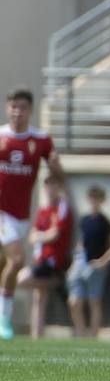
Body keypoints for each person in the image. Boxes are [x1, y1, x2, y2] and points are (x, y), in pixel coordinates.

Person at [0, 87, 63, 340]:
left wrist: (58, 167)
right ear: (7, 109)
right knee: (17, 260)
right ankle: (4, 321)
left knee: (5, 266)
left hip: (22, 215)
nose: (17, 112)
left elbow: (57, 175)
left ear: (30, 110)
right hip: (1, 213)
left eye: (22, 107)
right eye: (13, 107)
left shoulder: (41, 141)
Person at [17, 176, 71, 338]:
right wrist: (42, 235)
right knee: (38, 299)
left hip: (52, 260)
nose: (50, 189)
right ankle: (36, 336)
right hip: (39, 259)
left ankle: (56, 281)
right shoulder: (43, 210)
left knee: (21, 278)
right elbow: (32, 236)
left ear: (58, 187)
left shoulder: (62, 207)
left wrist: (41, 236)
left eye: (53, 185)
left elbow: (55, 234)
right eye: (47, 186)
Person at [66, 184, 110, 337]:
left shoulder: (105, 222)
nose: (94, 201)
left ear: (102, 200)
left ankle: (93, 337)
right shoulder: (84, 220)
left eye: (97, 198)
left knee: (94, 302)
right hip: (80, 264)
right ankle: (81, 334)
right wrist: (75, 261)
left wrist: (103, 262)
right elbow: (81, 242)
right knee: (74, 302)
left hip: (95, 266)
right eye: (91, 197)